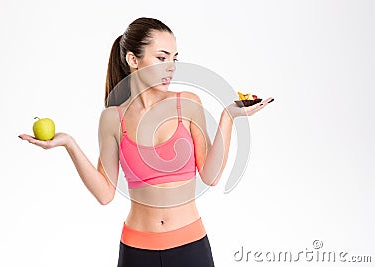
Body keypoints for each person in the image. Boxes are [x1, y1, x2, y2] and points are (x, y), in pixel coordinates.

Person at [19, 17, 273, 267]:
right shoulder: (112, 118)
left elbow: (210, 175)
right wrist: (69, 144)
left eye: (174, 58)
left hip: (190, 246)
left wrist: (228, 118)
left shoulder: (187, 103)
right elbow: (105, 194)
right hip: (136, 251)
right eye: (162, 58)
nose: (171, 66)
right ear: (133, 60)